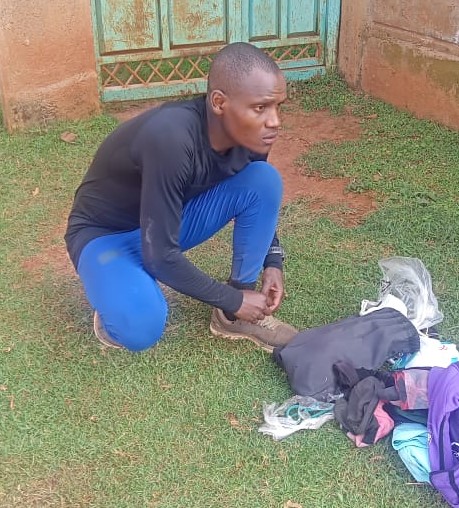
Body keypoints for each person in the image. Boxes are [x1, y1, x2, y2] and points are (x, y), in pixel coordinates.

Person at [64, 42, 298, 353]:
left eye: (277, 106)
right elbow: (160, 255)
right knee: (140, 328)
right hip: (105, 237)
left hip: (165, 223)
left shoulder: (253, 134)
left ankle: (231, 316)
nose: (274, 121)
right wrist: (233, 299)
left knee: (263, 180)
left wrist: (273, 261)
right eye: (260, 107)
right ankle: (122, 286)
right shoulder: (170, 137)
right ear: (219, 102)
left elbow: (258, 196)